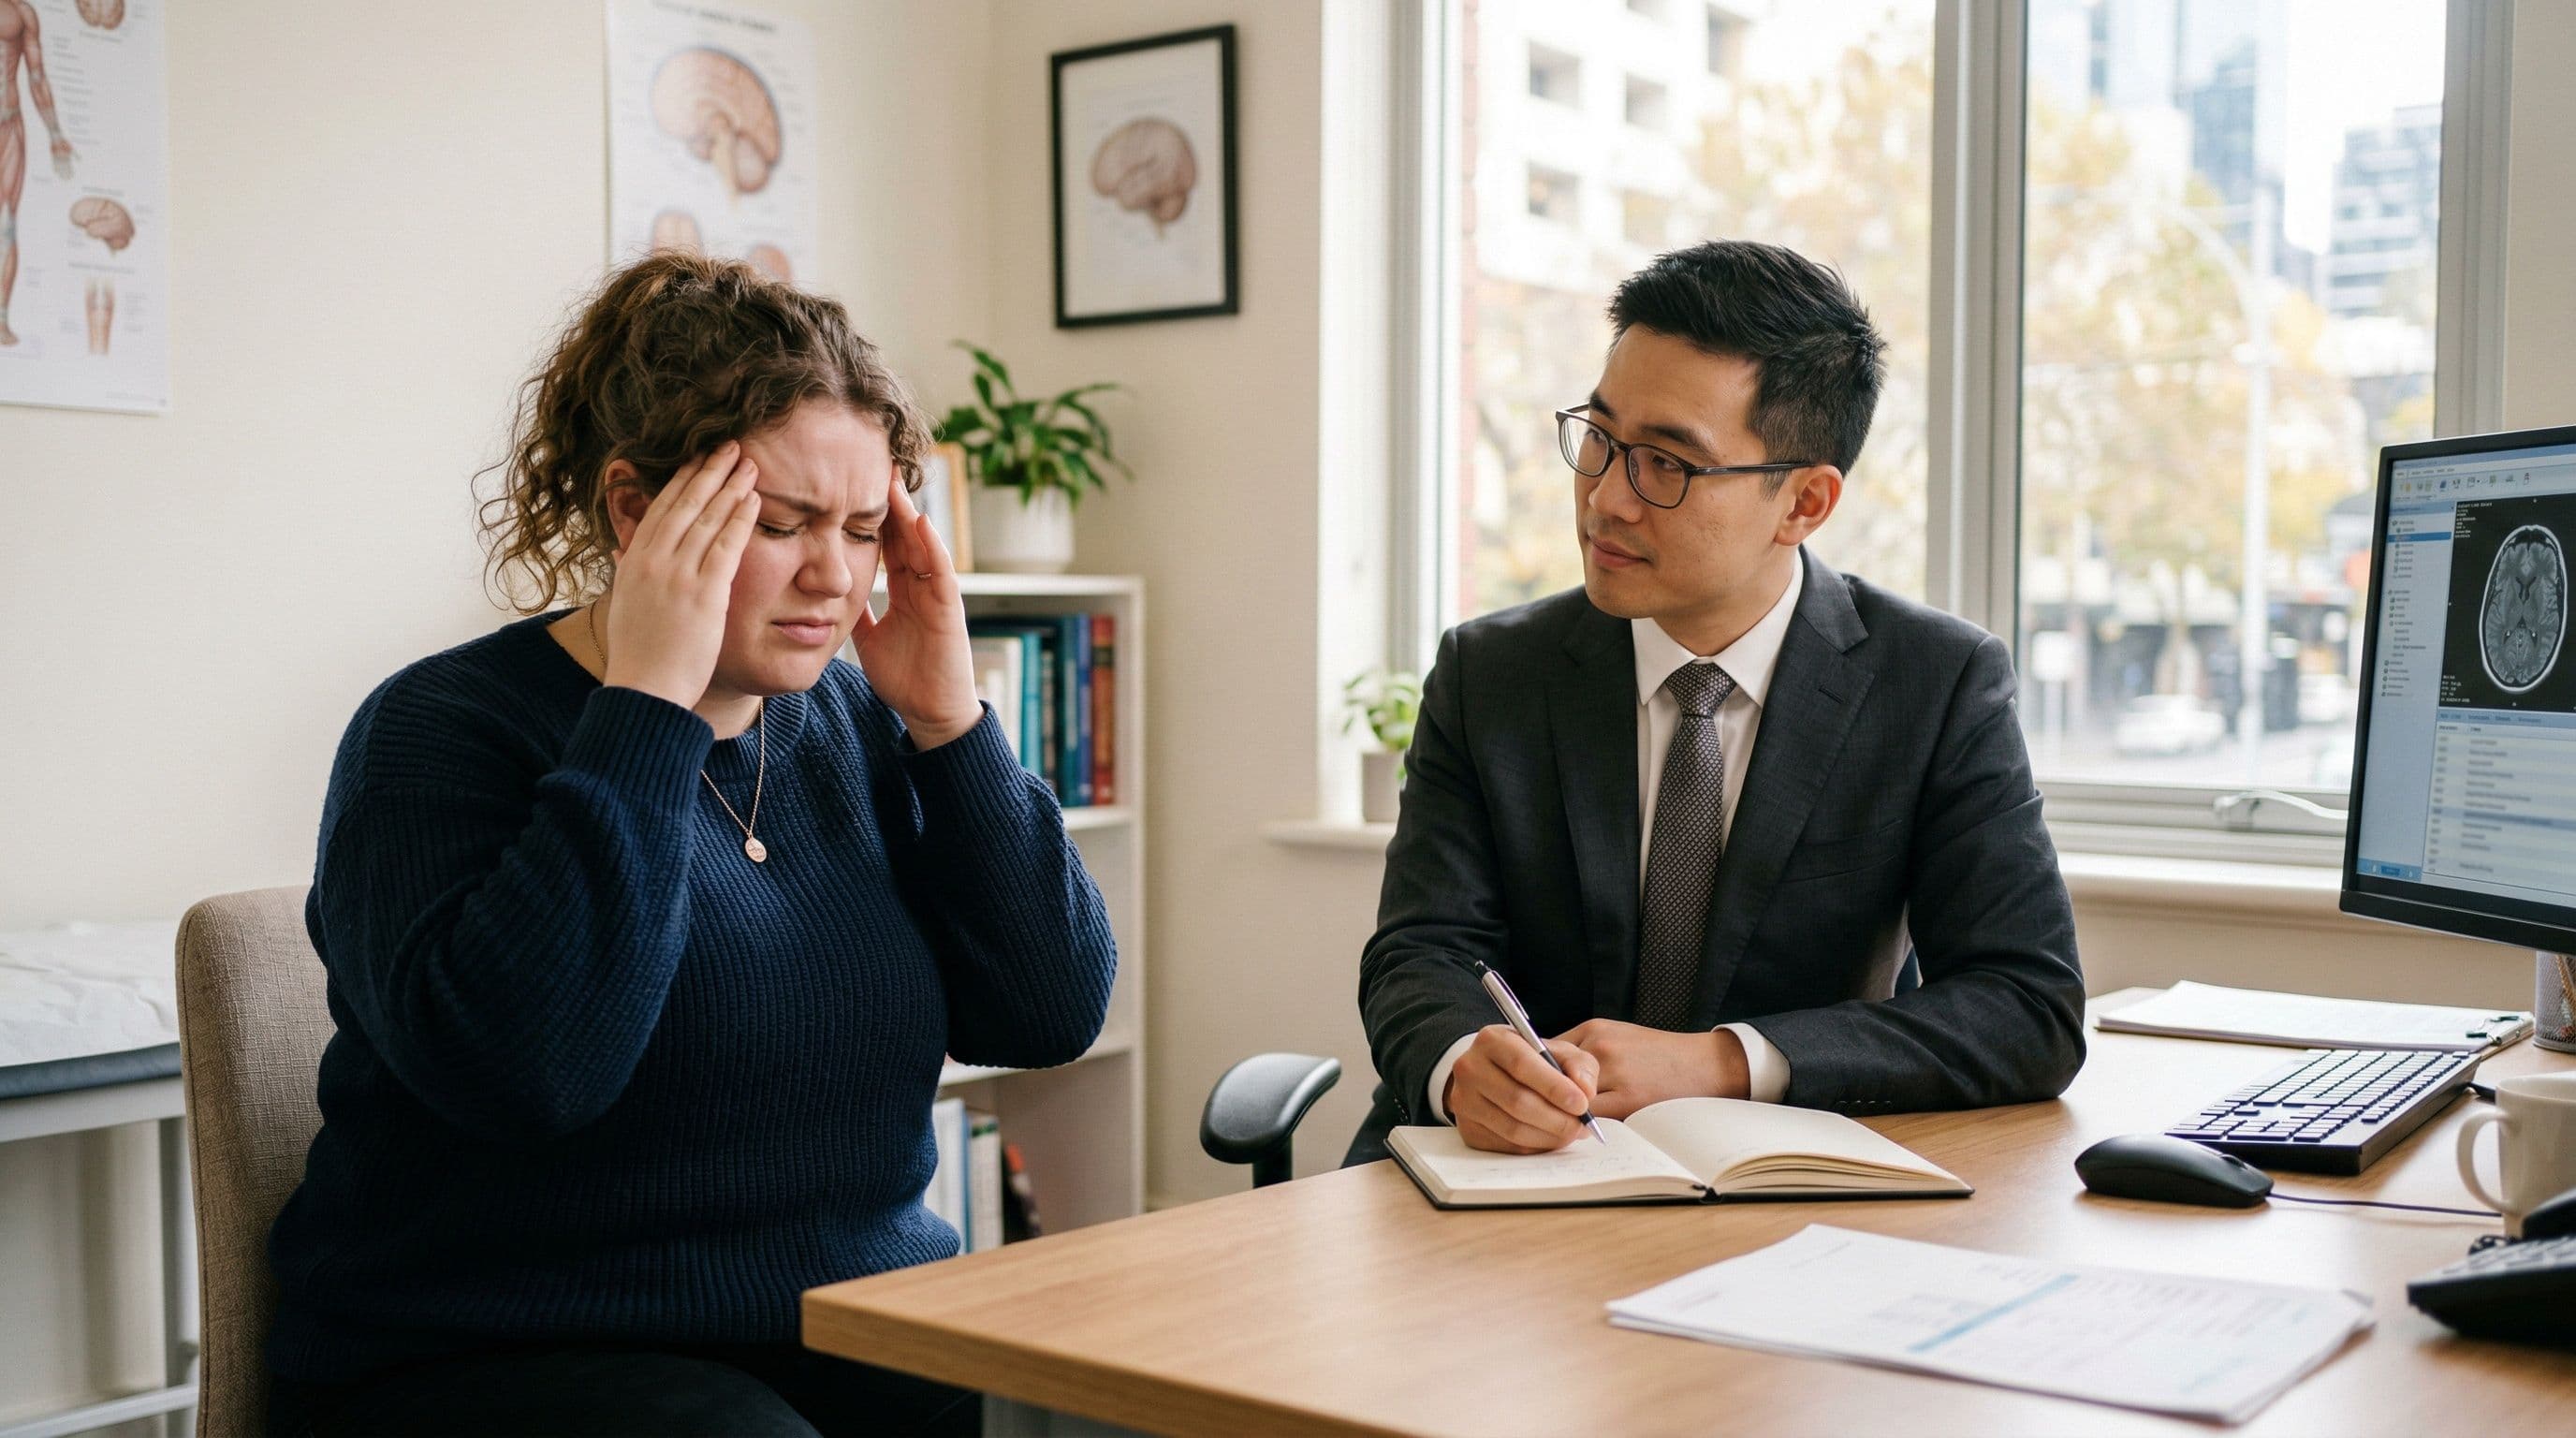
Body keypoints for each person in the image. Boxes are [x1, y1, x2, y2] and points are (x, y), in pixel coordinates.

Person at [265, 252, 1117, 1436]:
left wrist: (951, 722)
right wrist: (650, 713)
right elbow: (535, 1073)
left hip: (844, 1330)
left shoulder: (858, 722)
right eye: (783, 524)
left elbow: (1046, 1013)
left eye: (864, 529)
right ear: (636, 511)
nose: (834, 575)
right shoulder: (437, 733)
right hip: (496, 1355)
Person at [1351, 240, 2084, 1162]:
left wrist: (1722, 1063)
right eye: (1601, 439)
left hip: (1771, 1188)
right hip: (1497, 1170)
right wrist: (1464, 1064)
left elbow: (2025, 1007)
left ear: (1804, 503)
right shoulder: (1491, 671)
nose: (1606, 499)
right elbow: (1421, 950)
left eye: (1667, 464)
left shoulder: (1934, 685)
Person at [0, 0, 79, 345]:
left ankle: (0, 317)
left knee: (5, 223)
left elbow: (36, 76)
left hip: (8, 127)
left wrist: (56, 134)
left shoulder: (23, 12)